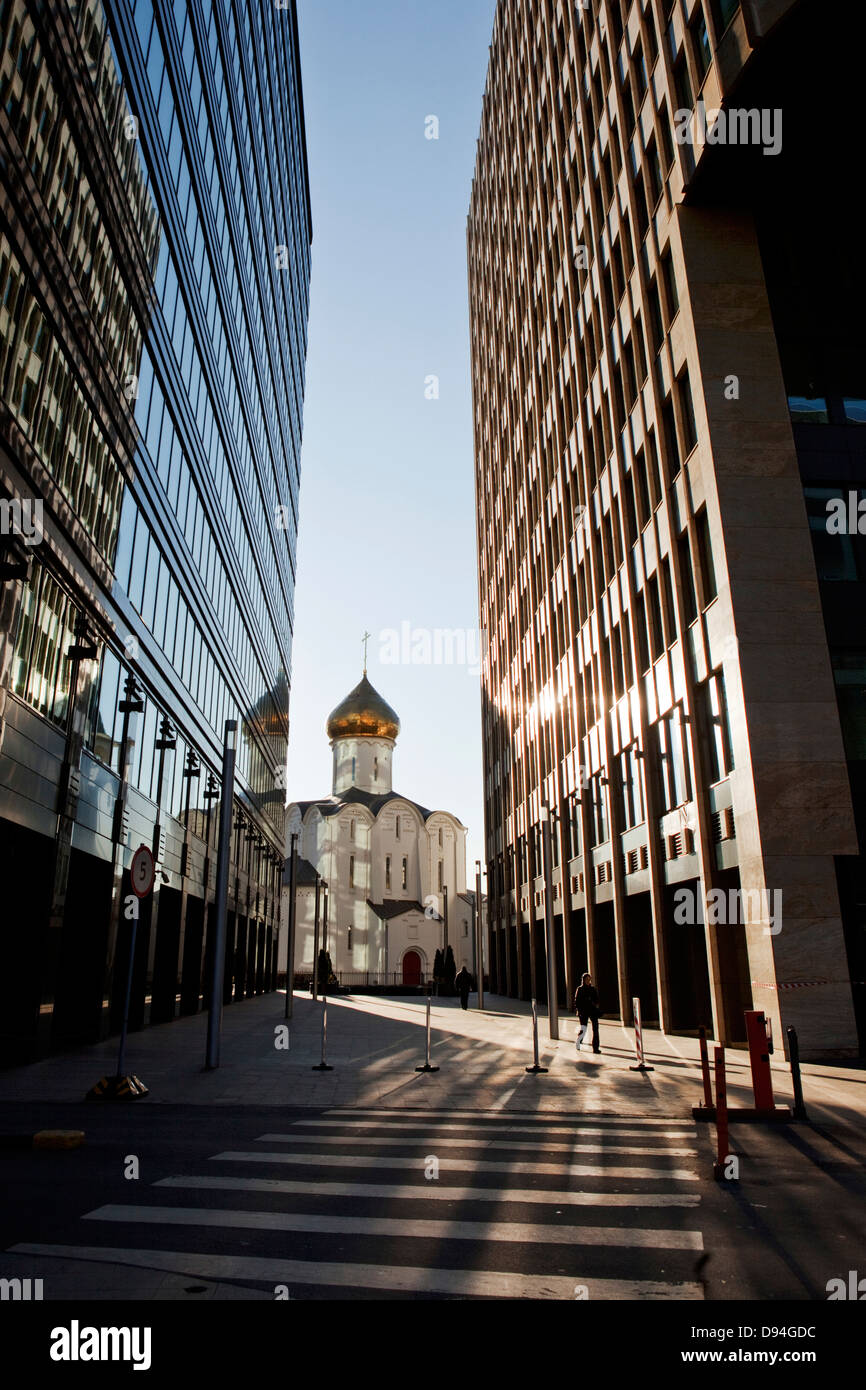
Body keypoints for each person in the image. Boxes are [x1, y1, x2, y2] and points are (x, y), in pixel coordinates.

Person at [573, 971, 601, 1053]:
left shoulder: (593, 989)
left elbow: (597, 999)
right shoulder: (580, 989)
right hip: (583, 1012)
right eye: (586, 979)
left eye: (589, 979)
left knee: (595, 1029)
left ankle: (596, 1048)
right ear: (583, 980)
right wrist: (579, 1010)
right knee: (583, 1029)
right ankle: (578, 1042)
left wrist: (595, 1004)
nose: (588, 981)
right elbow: (576, 1001)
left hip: (592, 1011)